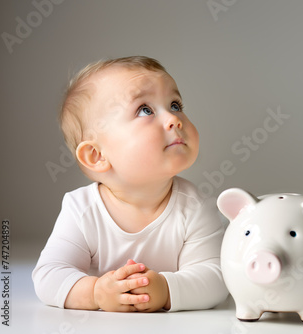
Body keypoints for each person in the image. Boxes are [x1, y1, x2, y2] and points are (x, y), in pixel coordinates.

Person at [32, 56, 228, 312]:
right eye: (145, 109)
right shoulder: (81, 209)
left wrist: (166, 290)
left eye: (175, 105)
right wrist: (95, 293)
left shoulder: (195, 207)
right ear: (97, 156)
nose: (173, 118)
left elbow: (216, 278)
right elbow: (48, 275)